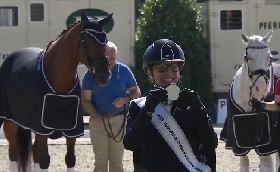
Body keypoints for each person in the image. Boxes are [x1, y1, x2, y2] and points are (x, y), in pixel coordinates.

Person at [123, 39, 218, 172]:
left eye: (174, 68)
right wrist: (147, 111)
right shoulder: (138, 106)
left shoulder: (191, 105)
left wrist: (198, 110)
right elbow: (129, 143)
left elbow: (211, 143)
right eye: (162, 68)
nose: (169, 74)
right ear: (149, 73)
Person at [81, 41, 141, 172]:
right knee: (100, 162)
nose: (110, 62)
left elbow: (136, 92)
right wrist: (96, 116)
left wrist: (125, 100)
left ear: (116, 56)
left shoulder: (123, 71)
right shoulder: (91, 74)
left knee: (117, 163)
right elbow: (85, 100)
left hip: (118, 121)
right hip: (98, 122)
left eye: (112, 59)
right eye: (107, 59)